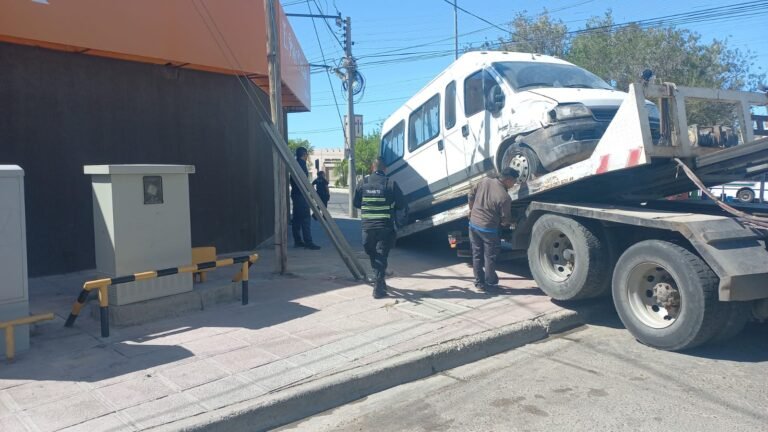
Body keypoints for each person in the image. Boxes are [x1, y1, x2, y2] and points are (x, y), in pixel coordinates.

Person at [353, 157, 407, 298]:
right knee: (381, 255)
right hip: (385, 227)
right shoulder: (391, 183)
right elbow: (402, 205)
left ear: (372, 167)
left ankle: (379, 283)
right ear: (385, 169)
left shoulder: (362, 183)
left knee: (373, 254)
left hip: (368, 227)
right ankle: (379, 284)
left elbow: (357, 203)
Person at [467, 167, 519, 291]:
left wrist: (471, 209)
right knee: (489, 257)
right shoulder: (505, 197)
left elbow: (470, 195)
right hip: (488, 230)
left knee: (477, 254)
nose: (514, 184)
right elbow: (505, 219)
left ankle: (479, 283)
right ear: (507, 180)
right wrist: (508, 222)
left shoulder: (484, 181)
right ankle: (490, 281)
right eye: (514, 181)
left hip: (473, 225)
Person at [290, 147, 321, 250]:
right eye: (307, 155)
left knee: (297, 218)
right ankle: (308, 242)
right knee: (305, 218)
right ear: (304, 155)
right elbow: (303, 181)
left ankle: (298, 241)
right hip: (301, 195)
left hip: (295, 194)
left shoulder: (295, 163)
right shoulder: (301, 165)